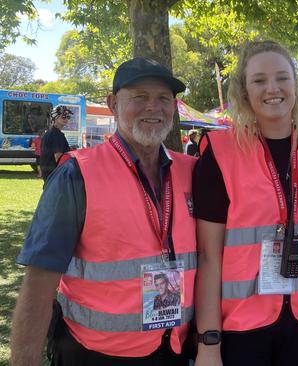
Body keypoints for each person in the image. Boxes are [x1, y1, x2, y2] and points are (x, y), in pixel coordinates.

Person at [11, 57, 197, 366]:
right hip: (93, 354)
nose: (153, 107)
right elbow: (39, 283)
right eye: (140, 97)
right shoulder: (77, 174)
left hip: (173, 351)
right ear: (112, 103)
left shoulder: (191, 171)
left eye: (163, 98)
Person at [193, 40, 298, 366]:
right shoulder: (220, 152)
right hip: (243, 329)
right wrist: (208, 343)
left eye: (282, 78)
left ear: (295, 85)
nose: (273, 88)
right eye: (259, 80)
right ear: (244, 91)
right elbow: (209, 256)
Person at [40, 105, 72, 182]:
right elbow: (58, 157)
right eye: (63, 116)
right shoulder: (56, 134)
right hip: (54, 173)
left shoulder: (52, 132)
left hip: (49, 172)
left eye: (68, 117)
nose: (66, 119)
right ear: (55, 117)